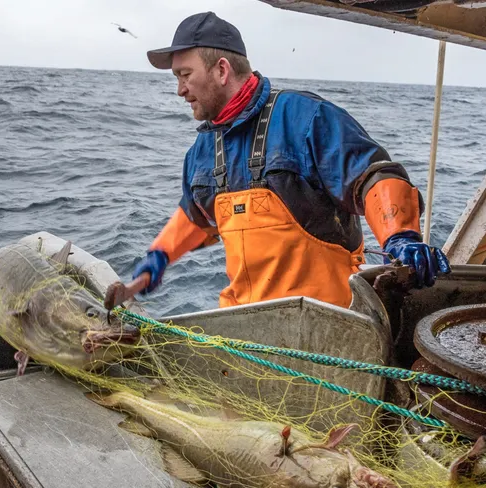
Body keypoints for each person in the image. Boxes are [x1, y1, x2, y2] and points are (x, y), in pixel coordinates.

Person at [124, 11, 450, 311]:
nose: (180, 89)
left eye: (184, 74)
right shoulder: (201, 151)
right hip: (244, 327)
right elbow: (197, 217)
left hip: (330, 325)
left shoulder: (306, 118)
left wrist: (400, 237)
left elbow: (373, 176)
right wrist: (161, 255)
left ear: (221, 70)